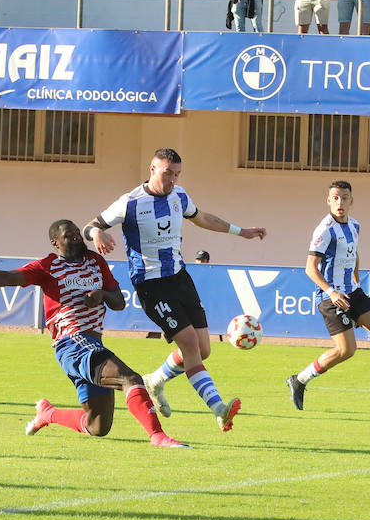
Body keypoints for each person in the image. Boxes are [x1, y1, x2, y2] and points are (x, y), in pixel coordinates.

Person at [0, 220, 188, 449]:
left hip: (91, 344)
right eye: (68, 234)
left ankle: (47, 414)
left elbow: (119, 302)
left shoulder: (95, 261)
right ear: (56, 243)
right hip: (71, 343)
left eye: (76, 231)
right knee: (131, 379)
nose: (75, 235)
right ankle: (158, 436)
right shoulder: (47, 266)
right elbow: (8, 277)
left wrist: (102, 295)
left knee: (98, 426)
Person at [83, 148, 266, 430]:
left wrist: (239, 231)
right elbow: (90, 226)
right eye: (168, 173)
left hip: (180, 277)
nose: (172, 180)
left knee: (203, 349)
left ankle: (155, 380)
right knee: (190, 344)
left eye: (177, 174)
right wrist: (97, 233)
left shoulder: (180, 196)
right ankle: (219, 408)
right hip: (151, 285)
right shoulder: (130, 202)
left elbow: (202, 217)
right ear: (152, 169)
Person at [287, 180, 370, 411]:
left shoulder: (354, 225)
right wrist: (331, 292)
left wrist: (356, 274)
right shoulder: (324, 230)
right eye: (335, 198)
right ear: (328, 201)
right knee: (347, 351)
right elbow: (309, 268)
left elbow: (353, 253)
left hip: (352, 292)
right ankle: (300, 380)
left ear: (351, 201)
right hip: (330, 296)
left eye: (344, 198)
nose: (340, 202)